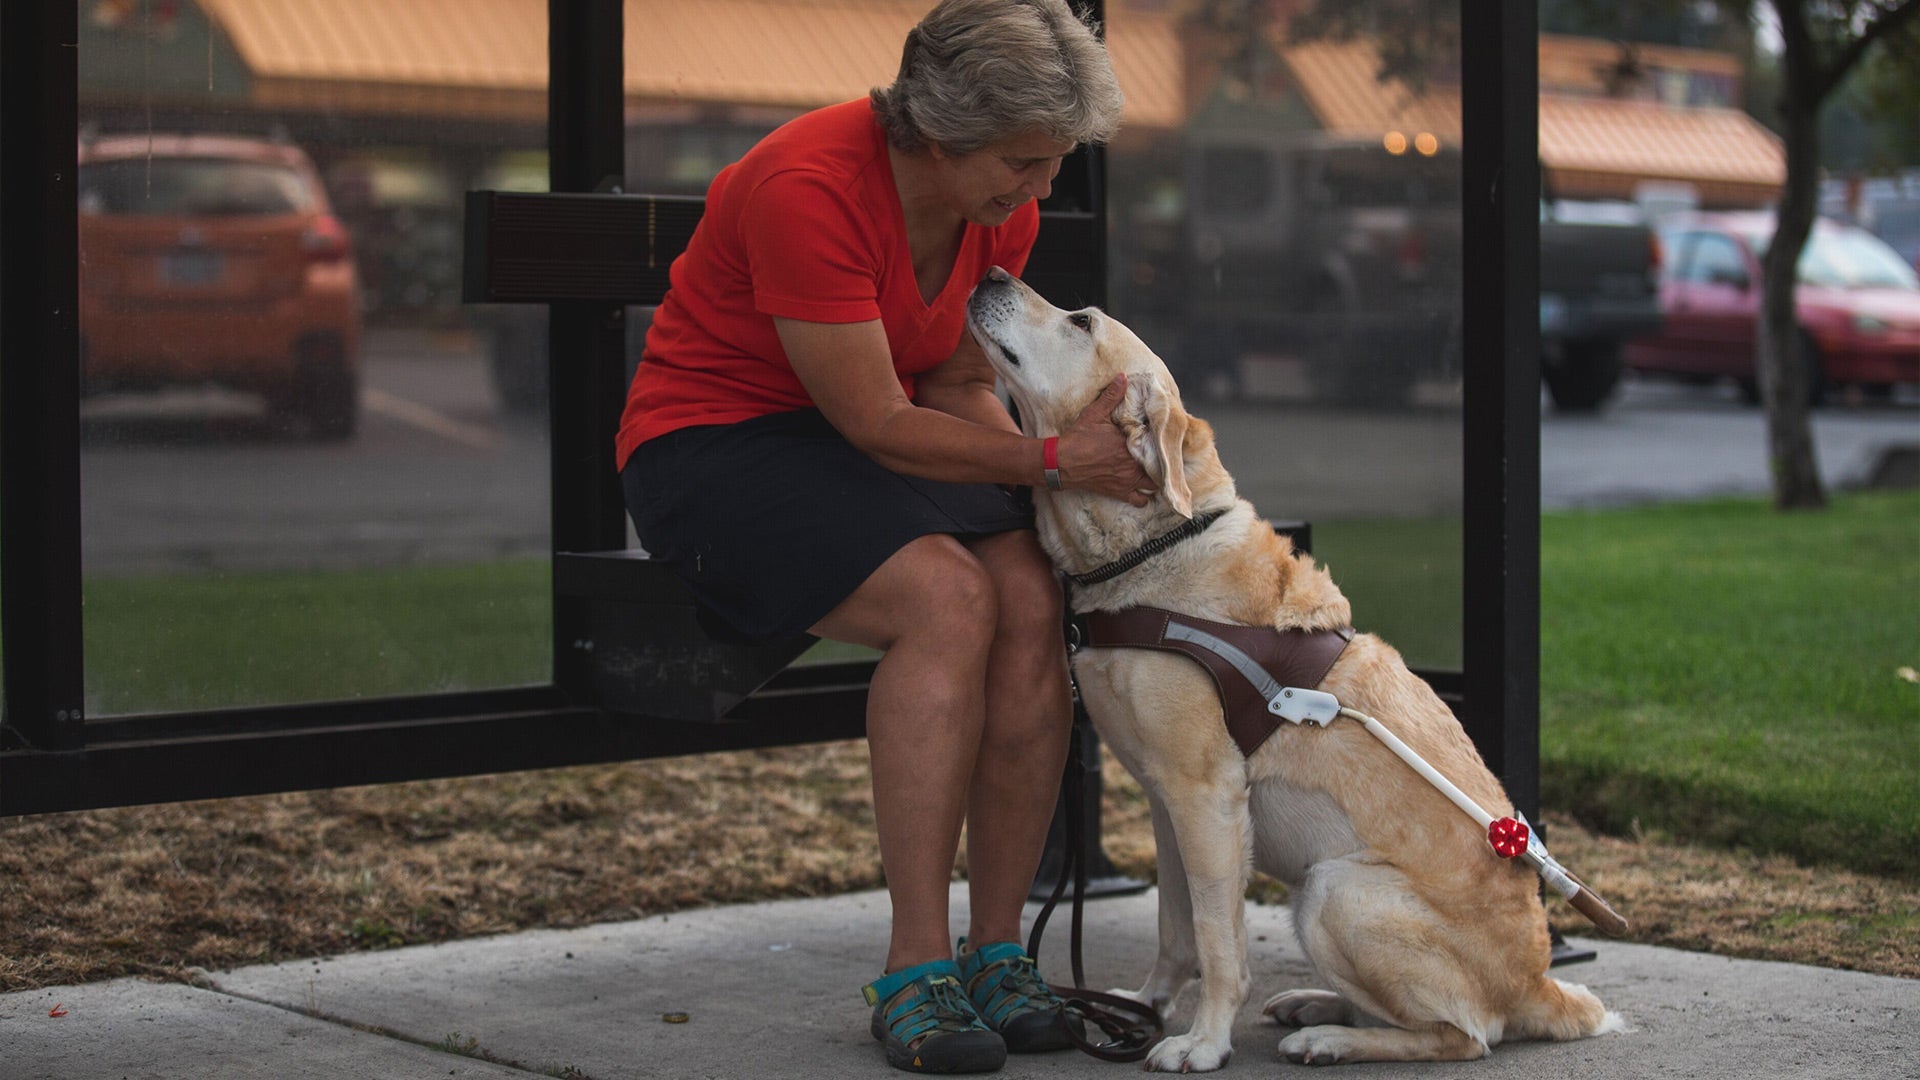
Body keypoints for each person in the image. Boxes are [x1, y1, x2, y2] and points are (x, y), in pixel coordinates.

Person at [613, 0, 1148, 1072]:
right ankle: (915, 969)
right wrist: (1051, 466)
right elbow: (874, 420)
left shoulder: (997, 207)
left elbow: (951, 377)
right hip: (719, 449)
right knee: (947, 598)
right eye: (1024, 161)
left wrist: (1037, 510)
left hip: (874, 447)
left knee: (1032, 596)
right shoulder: (805, 186)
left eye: (1053, 164)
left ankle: (998, 952)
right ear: (941, 134)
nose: (1039, 188)